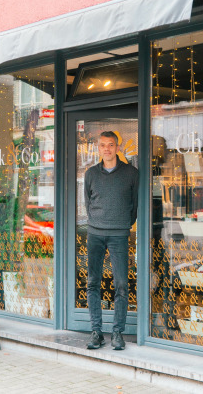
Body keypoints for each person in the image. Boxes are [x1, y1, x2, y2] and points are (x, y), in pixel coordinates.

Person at [84, 131, 139, 350]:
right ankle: (96, 332)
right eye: (103, 145)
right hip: (94, 234)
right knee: (92, 283)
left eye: (111, 145)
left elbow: (134, 205)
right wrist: (98, 221)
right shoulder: (90, 174)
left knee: (121, 285)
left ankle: (117, 333)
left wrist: (123, 222)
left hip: (119, 234)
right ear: (98, 148)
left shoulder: (131, 173)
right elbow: (88, 202)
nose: (107, 149)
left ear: (117, 148)